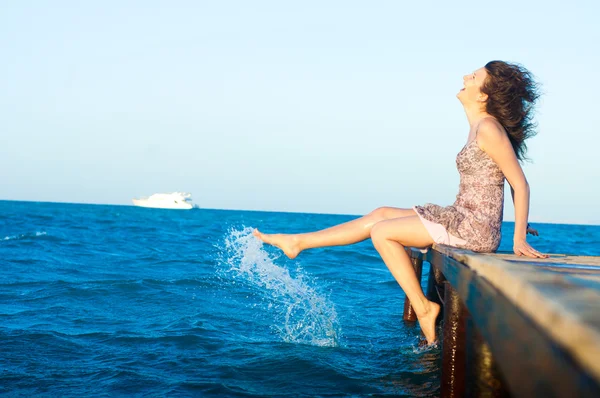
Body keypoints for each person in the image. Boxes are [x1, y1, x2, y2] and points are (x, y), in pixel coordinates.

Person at [253, 60, 548, 345]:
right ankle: (298, 242)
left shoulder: (488, 129)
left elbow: (519, 182)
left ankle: (424, 307)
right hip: (462, 216)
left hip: (472, 228)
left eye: (473, 77)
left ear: (483, 94)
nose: (464, 77)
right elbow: (504, 181)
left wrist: (519, 236)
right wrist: (522, 221)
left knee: (382, 232)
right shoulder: (480, 126)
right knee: (380, 214)